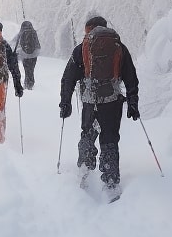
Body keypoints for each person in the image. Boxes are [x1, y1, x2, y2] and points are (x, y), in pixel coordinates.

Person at [59, 15, 139, 200]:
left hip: (89, 101)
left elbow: (68, 78)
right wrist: (133, 102)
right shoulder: (119, 47)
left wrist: (65, 102)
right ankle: (110, 183)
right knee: (110, 139)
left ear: (88, 30)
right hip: (112, 101)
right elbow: (131, 76)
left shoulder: (82, 49)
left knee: (88, 134)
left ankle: (84, 172)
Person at [12, 20, 42, 90]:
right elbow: (37, 44)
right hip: (34, 54)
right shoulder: (34, 32)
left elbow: (15, 42)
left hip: (24, 55)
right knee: (31, 69)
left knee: (26, 69)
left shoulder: (21, 32)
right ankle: (31, 83)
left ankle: (27, 84)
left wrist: (14, 51)